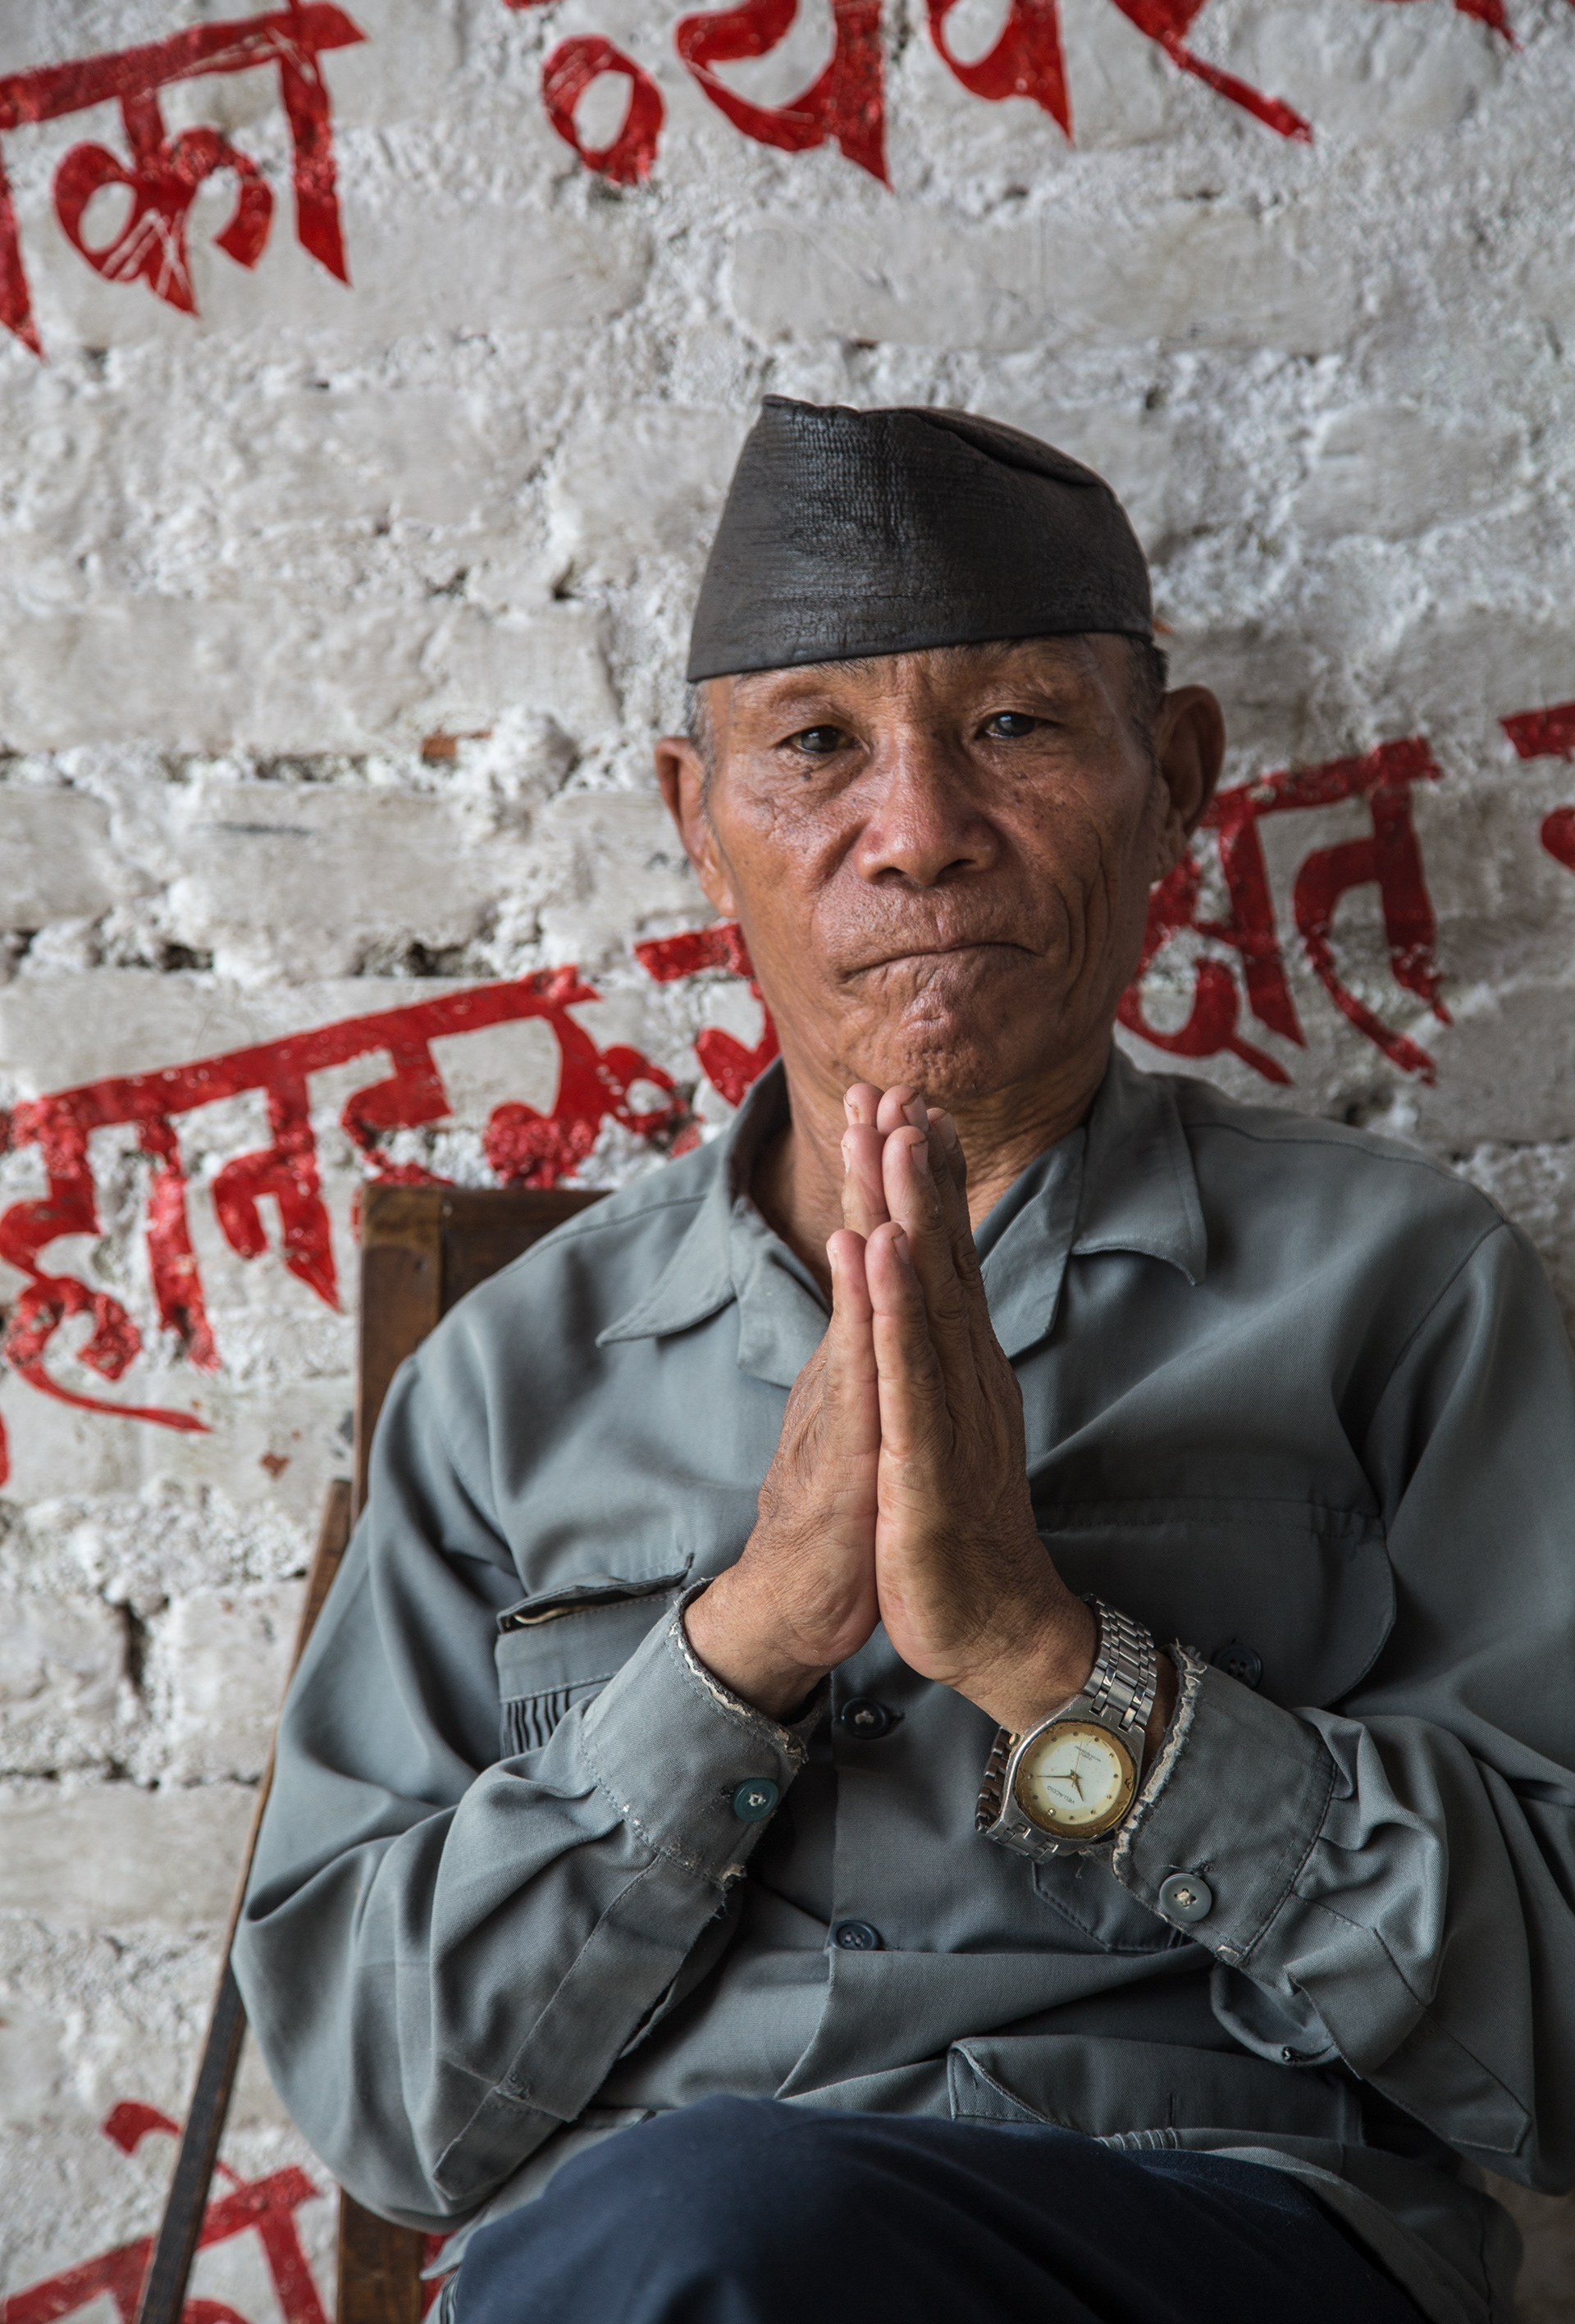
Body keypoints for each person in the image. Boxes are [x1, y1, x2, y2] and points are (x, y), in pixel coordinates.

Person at [234, 399, 1575, 2324]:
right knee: (712, 2222)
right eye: (813, 751)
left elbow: (1555, 2048)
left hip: (1214, 2239)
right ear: (700, 825)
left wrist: (1049, 1655)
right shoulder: (510, 1380)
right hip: (655, 2257)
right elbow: (382, 2106)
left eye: (1017, 728)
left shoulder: (1397, 1289)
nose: (922, 836)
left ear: (1176, 777)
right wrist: (754, 1635)